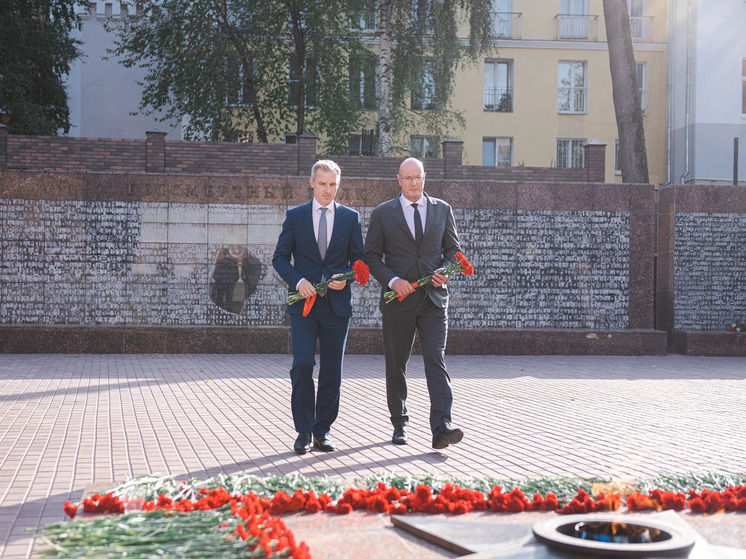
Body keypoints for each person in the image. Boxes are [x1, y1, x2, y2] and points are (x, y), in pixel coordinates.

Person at [364, 157, 464, 450]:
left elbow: (453, 251)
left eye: (417, 177)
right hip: (399, 302)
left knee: (436, 359)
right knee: (397, 364)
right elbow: (371, 257)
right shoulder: (383, 213)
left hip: (433, 301)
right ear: (398, 180)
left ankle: (441, 427)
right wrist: (393, 281)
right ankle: (399, 422)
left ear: (424, 178)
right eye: (407, 178)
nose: (413, 183)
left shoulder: (442, 210)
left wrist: (445, 272)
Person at [272, 160, 365, 454]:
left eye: (333, 185)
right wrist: (297, 280)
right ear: (312, 183)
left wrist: (346, 279)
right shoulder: (296, 216)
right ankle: (303, 430)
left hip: (337, 307)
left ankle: (322, 430)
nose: (328, 190)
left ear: (338, 185)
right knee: (302, 364)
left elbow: (360, 263)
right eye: (323, 184)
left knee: (331, 372)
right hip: (304, 305)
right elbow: (279, 258)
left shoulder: (350, 218)